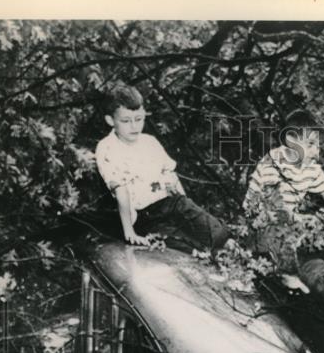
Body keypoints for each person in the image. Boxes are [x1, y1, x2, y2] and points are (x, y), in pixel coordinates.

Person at [95, 83, 229, 252]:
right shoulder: (107, 148)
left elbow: (171, 176)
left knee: (219, 235)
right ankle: (193, 249)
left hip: (172, 204)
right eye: (126, 121)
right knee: (184, 248)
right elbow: (121, 192)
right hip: (145, 215)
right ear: (110, 120)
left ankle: (226, 247)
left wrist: (188, 213)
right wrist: (129, 232)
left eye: (139, 119)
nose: (134, 126)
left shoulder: (149, 141)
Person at [242, 109, 324, 292]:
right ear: (291, 141)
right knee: (284, 228)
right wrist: (299, 221)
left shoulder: (311, 169)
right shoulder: (274, 162)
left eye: (318, 145)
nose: (316, 151)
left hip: (287, 221)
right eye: (311, 144)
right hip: (259, 222)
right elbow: (275, 206)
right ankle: (287, 275)